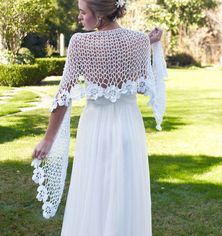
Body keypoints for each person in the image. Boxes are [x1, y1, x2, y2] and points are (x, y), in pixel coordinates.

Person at [31, 0, 167, 235]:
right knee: (125, 193)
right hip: (129, 127)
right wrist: (148, 41)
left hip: (96, 128)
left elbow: (64, 94)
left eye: (83, 12)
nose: (79, 18)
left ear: (101, 15)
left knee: (94, 192)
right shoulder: (138, 41)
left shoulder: (80, 42)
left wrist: (48, 139)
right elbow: (143, 86)